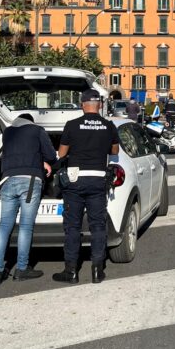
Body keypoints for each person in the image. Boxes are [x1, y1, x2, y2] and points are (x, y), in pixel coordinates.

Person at [53, 89, 120, 285]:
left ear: (82, 104)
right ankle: (97, 271)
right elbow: (114, 151)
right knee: (98, 226)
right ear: (99, 105)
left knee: (72, 227)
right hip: (98, 179)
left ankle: (71, 271)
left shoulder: (72, 125)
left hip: (75, 180)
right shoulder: (108, 126)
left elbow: (62, 153)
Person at [0, 116, 58, 285]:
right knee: (26, 226)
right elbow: (51, 154)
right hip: (29, 182)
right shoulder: (37, 131)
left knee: (4, 226)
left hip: (7, 181)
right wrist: (44, 162)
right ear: (31, 122)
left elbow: (11, 154)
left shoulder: (8, 132)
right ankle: (22, 269)